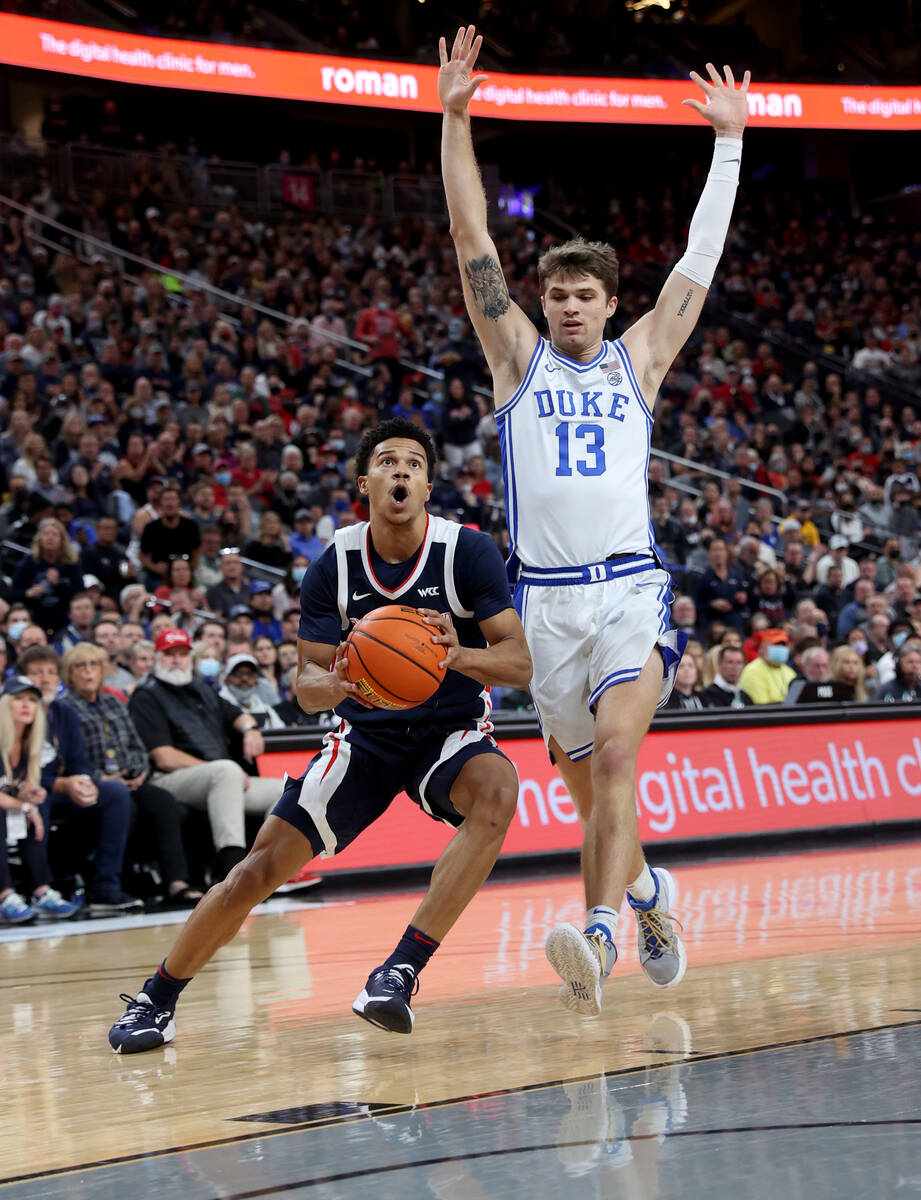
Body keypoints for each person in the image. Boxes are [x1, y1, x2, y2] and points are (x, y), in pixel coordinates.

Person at [439, 25, 749, 1014]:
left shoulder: (640, 360)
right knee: (592, 801)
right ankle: (649, 892)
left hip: (628, 591)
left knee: (619, 759)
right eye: (557, 294)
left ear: (612, 305)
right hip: (545, 609)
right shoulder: (515, 359)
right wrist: (454, 118)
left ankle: (605, 932)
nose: (570, 307)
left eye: (585, 295)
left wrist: (731, 143)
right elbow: (470, 239)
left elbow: (699, 263)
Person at [108, 419, 531, 1052]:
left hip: (449, 729)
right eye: (387, 462)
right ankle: (157, 999)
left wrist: (455, 656)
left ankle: (399, 971)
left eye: (414, 464)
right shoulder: (334, 564)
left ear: (429, 484)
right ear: (365, 483)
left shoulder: (465, 551)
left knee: (500, 791)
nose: (401, 472)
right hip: (364, 734)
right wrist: (338, 682)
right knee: (254, 871)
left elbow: (519, 662)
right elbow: (306, 686)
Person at [128, 628, 287, 881]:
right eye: (170, 654)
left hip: (219, 777)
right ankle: (231, 869)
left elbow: (235, 713)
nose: (177, 660)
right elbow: (164, 757)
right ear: (157, 657)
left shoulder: (201, 689)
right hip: (169, 779)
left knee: (282, 791)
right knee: (226, 772)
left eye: (182, 653)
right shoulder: (146, 696)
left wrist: (250, 728)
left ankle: (271, 873)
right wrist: (225, 770)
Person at [58, 643, 204, 908]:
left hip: (129, 778)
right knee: (126, 805)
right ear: (69, 673)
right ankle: (117, 882)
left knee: (163, 802)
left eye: (93, 665)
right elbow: (68, 758)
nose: (88, 672)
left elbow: (137, 746)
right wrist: (102, 777)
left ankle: (177, 882)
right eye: (81, 666)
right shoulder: (64, 709)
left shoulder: (114, 702)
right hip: (92, 785)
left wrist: (139, 772)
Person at [17, 644, 142, 912]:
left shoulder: (64, 713)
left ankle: (105, 887)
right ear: (23, 678)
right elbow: (18, 772)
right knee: (37, 801)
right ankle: (39, 888)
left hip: (62, 789)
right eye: (37, 673)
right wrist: (62, 783)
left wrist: (84, 781)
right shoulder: (16, 712)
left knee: (115, 794)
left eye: (51, 672)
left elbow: (79, 761)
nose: (46, 678)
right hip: (28, 790)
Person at [0, 676, 81, 923]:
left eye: (32, 700)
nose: (27, 705)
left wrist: (31, 796)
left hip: (8, 807)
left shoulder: (29, 745)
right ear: (5, 704)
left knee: (36, 811)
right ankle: (4, 894)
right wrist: (25, 805)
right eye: (19, 699)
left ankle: (41, 891)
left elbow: (14, 787)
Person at [739, 628, 796, 703]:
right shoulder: (753, 671)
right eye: (775, 645)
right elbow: (762, 706)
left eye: (783, 645)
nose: (780, 648)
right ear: (761, 648)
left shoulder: (789, 671)